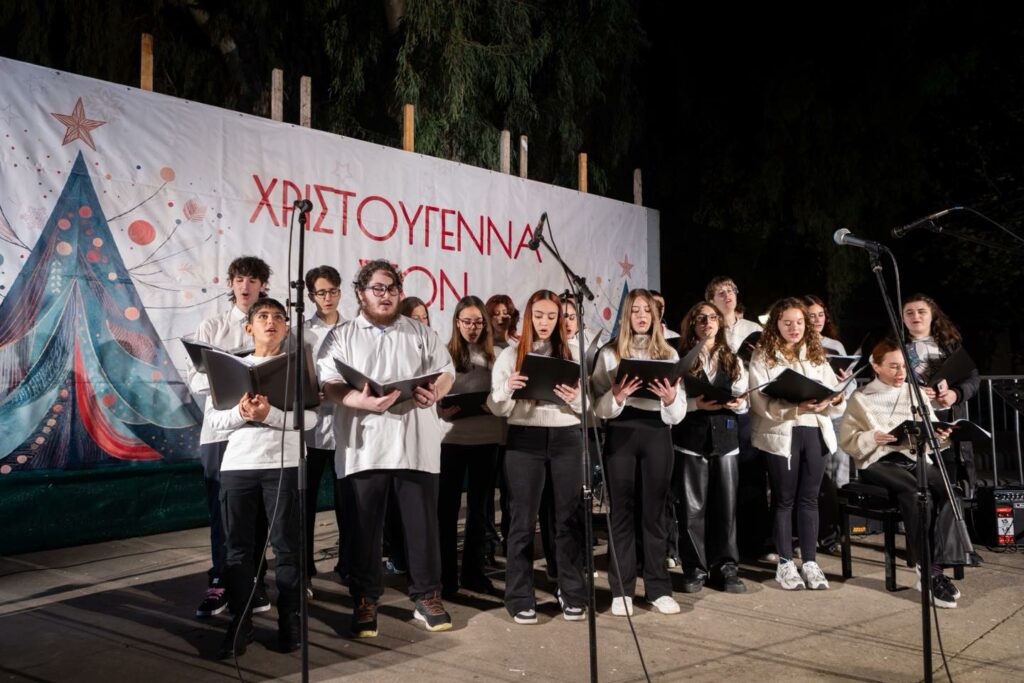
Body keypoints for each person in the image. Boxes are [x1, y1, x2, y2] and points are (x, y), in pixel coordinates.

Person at [317, 259, 455, 637]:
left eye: (392, 288)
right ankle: (365, 598)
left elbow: (446, 371)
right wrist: (358, 400)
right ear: (361, 293)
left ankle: (427, 596)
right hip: (364, 447)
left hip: (416, 444)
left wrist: (435, 392)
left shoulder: (420, 332)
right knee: (364, 529)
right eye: (377, 288)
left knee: (422, 527)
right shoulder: (343, 335)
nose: (386, 295)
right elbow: (328, 381)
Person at [204, 298, 316, 657]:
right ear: (249, 327)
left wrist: (269, 415)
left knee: (287, 547)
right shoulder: (229, 368)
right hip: (238, 466)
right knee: (237, 550)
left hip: (283, 465)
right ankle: (241, 623)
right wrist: (241, 412)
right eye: (263, 316)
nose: (272, 322)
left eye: (279, 317)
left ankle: (290, 621)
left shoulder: (297, 367)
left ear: (286, 328)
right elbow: (215, 421)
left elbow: (311, 419)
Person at [839, 338, 963, 607]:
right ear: (876, 366)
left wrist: (940, 435)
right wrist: (872, 437)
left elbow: (932, 430)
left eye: (904, 366)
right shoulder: (861, 397)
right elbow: (848, 440)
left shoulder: (915, 392)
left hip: (913, 457)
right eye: (893, 366)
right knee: (917, 494)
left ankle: (941, 562)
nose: (900, 373)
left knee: (949, 491)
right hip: (878, 461)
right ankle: (927, 571)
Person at [488, 289, 587, 624]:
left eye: (552, 316)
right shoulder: (511, 355)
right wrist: (508, 388)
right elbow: (496, 406)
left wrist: (575, 398)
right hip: (524, 439)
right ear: (529, 317)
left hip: (566, 438)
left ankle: (571, 592)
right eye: (539, 315)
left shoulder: (573, 354)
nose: (545, 322)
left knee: (567, 518)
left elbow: (589, 407)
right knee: (522, 520)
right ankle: (519, 596)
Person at [591, 289, 685, 616]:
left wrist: (670, 399)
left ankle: (658, 589)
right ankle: (622, 590)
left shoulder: (669, 353)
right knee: (621, 513)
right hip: (621, 432)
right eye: (635, 311)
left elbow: (678, 412)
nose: (642, 316)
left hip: (657, 432)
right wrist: (617, 396)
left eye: (647, 311)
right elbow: (598, 407)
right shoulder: (609, 354)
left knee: (655, 514)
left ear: (655, 316)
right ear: (626, 316)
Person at [188, 256, 272, 618]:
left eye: (253, 280)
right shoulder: (213, 327)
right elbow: (194, 380)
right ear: (230, 284)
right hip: (220, 431)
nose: (245, 286)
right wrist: (227, 376)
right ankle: (221, 582)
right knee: (222, 512)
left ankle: (255, 582)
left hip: (260, 433)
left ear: (263, 286)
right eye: (239, 280)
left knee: (259, 513)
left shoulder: (272, 324)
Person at [749, 297, 844, 590]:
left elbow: (832, 392)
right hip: (783, 432)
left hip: (814, 430)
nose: (795, 328)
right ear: (776, 324)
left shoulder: (816, 354)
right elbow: (758, 400)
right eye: (788, 322)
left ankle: (811, 562)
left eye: (800, 322)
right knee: (784, 499)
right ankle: (785, 563)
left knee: (810, 498)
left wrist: (835, 398)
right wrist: (795, 407)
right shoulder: (764, 356)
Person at [672, 301, 748, 594]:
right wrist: (696, 405)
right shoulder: (682, 358)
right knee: (692, 510)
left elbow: (743, 397)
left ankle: (726, 568)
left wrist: (739, 404)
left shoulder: (732, 358)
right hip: (691, 439)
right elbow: (675, 400)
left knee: (726, 508)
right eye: (701, 319)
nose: (708, 323)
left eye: (713, 318)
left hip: (726, 440)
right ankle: (695, 569)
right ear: (692, 324)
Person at [437, 296, 502, 596]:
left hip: (487, 439)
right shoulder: (444, 354)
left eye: (478, 322)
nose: (473, 328)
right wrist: (441, 410)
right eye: (467, 322)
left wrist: (494, 404)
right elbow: (432, 396)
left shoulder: (496, 355)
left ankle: (474, 574)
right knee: (447, 510)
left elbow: (505, 394)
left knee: (479, 511)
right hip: (452, 440)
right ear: (457, 323)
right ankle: (446, 577)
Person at [705, 276, 767, 561]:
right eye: (720, 292)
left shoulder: (753, 329)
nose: (727, 295)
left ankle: (756, 543)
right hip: (716, 409)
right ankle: (721, 545)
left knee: (752, 475)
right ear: (710, 300)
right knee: (722, 481)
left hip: (747, 408)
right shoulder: (707, 327)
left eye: (731, 290)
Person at [298, 266, 348, 594]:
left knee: (348, 503)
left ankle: (348, 565)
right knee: (306, 502)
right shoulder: (301, 333)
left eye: (332, 291)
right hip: (312, 428)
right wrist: (307, 393)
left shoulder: (354, 329)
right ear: (310, 296)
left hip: (346, 428)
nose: (328, 298)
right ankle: (304, 570)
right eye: (321, 292)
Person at [902, 294, 981, 500]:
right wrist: (914, 391)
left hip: (948, 420)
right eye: (909, 312)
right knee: (918, 483)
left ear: (932, 315)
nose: (915, 316)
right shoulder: (895, 346)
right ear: (902, 318)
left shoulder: (950, 345)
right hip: (914, 420)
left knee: (950, 478)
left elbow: (972, 379)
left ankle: (949, 520)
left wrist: (955, 394)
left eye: (921, 311)